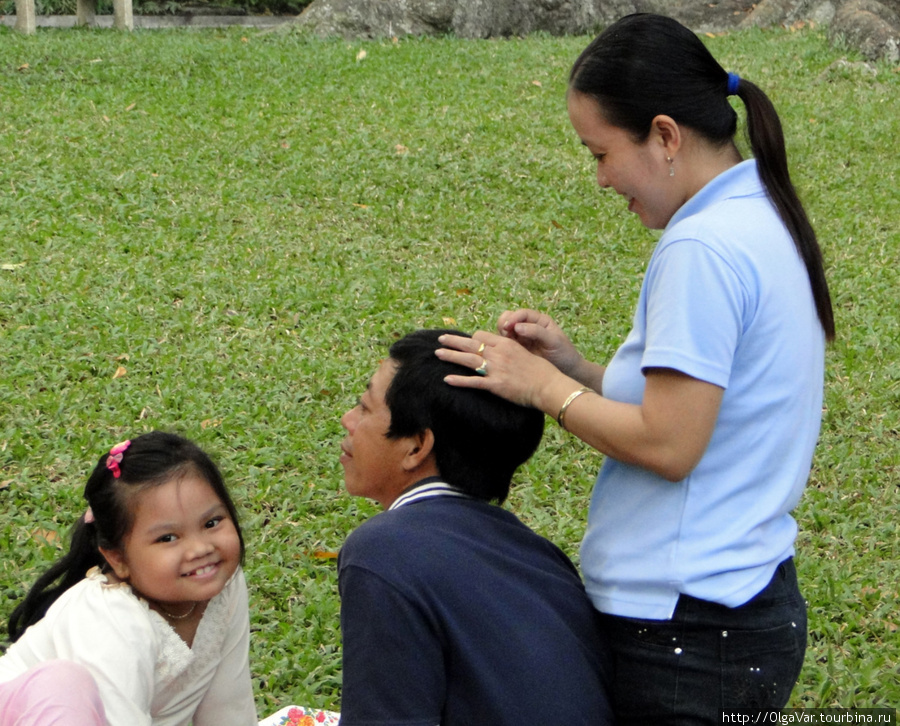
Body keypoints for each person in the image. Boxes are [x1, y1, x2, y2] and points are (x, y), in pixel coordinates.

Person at [435, 13, 834, 723]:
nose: (599, 179)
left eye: (600, 152)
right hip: (739, 604)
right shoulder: (759, 210)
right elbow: (706, 405)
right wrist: (579, 367)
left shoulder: (701, 250)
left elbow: (671, 445)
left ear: (666, 136)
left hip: (688, 628)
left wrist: (544, 388)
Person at [336, 329, 614, 726]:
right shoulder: (539, 553)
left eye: (364, 408)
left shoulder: (383, 550)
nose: (348, 421)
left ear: (417, 446)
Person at [0, 431, 257, 726]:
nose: (201, 549)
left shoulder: (224, 585)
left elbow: (229, 707)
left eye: (212, 523)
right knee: (62, 684)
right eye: (168, 538)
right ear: (117, 558)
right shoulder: (112, 619)